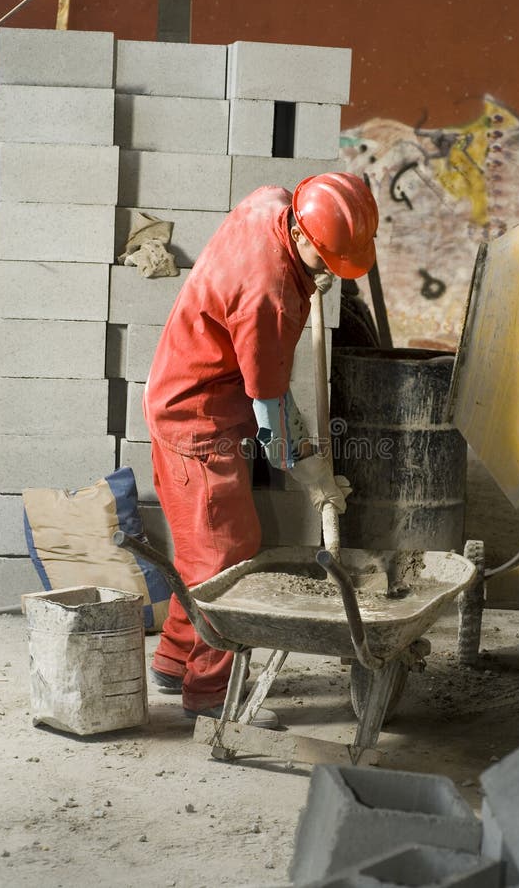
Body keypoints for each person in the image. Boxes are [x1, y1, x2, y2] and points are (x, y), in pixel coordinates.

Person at [143, 171, 379, 728]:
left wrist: (311, 278)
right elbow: (271, 413)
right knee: (228, 557)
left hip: (182, 389)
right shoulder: (269, 297)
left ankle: (176, 659)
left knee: (201, 550)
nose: (324, 275)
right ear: (301, 239)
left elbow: (270, 391)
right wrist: (312, 472)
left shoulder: (271, 202)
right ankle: (210, 693)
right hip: (195, 419)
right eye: (323, 263)